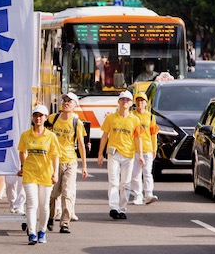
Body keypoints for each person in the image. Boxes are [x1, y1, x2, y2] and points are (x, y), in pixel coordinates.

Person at [97, 91, 144, 220]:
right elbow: (105, 136)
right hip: (114, 154)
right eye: (122, 99)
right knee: (113, 182)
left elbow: (138, 138)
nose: (125, 102)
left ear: (131, 103)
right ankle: (114, 207)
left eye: (127, 100)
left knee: (125, 184)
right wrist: (100, 154)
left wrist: (140, 154)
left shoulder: (135, 119)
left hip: (128, 155)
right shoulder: (111, 118)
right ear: (118, 101)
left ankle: (122, 209)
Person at [17, 104, 60, 245]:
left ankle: (42, 231)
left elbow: (55, 156)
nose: (38, 118)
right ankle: (32, 233)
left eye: (41, 115)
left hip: (46, 174)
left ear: (46, 117)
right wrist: (23, 166)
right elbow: (22, 151)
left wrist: (55, 173)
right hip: (30, 174)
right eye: (36, 115)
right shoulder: (25, 135)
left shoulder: (51, 136)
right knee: (32, 204)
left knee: (44, 205)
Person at [46, 92, 88, 234]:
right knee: (52, 194)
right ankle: (50, 217)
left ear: (75, 105)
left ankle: (65, 223)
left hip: (70, 161)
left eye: (70, 101)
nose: (66, 103)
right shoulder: (53, 119)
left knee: (67, 193)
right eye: (64, 100)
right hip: (53, 161)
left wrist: (84, 166)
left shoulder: (77, 123)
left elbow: (81, 145)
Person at [129, 92, 159, 205]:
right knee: (135, 173)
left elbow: (153, 134)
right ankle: (138, 195)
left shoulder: (150, 117)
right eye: (138, 101)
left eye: (142, 101)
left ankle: (148, 194)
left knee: (147, 172)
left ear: (146, 103)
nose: (140, 103)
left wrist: (154, 148)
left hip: (147, 148)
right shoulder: (131, 115)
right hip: (133, 149)